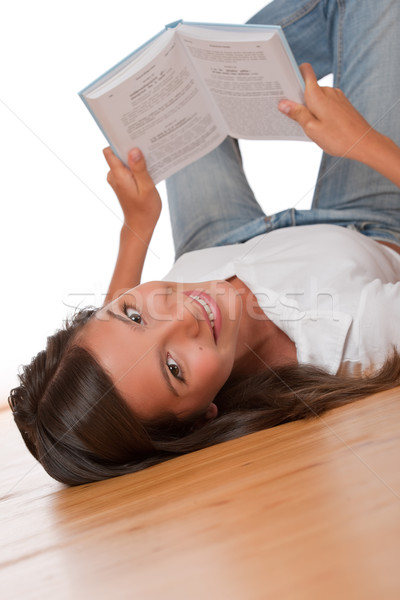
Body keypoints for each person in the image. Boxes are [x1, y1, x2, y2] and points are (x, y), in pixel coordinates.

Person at [9, 0, 400, 486]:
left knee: (172, 83)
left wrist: (138, 226)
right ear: (199, 418)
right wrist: (364, 143)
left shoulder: (165, 326)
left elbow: (115, 352)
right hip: (363, 222)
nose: (184, 314)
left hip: (212, 245)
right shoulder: (353, 342)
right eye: (174, 368)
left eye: (134, 315)